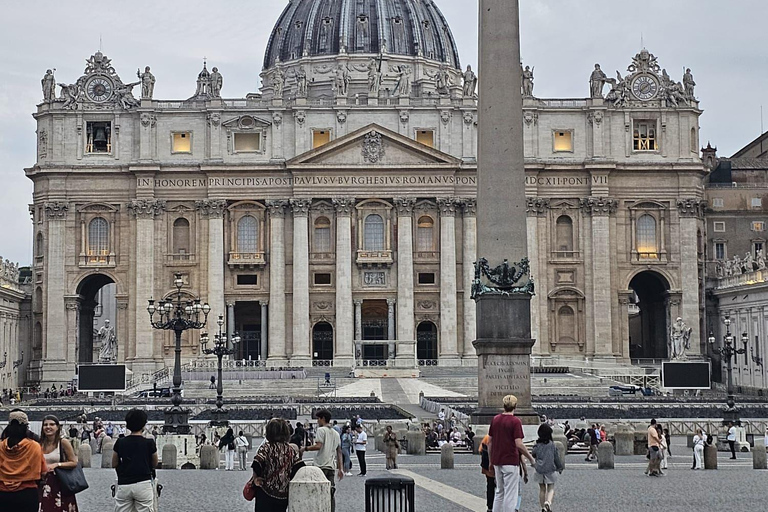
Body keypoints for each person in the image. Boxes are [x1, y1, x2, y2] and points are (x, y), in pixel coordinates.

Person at [487, 394, 535, 512]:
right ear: (515, 406)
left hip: (497, 460)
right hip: (510, 461)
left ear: (503, 406)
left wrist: (490, 460)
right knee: (510, 494)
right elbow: (518, 444)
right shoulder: (515, 421)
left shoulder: (495, 419)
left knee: (499, 492)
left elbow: (489, 442)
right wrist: (530, 458)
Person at [112, 409, 158, 512]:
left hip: (124, 483)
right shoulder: (149, 443)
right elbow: (154, 463)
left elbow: (114, 463)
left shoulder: (120, 442)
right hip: (143, 483)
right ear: (143, 425)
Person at [0, 410, 47, 511]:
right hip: (27, 493)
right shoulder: (34, 446)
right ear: (26, 427)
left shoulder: (0, 446)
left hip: (3, 492)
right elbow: (43, 472)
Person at [38, 415, 80, 512]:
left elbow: (74, 462)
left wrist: (57, 464)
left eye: (52, 424)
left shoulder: (63, 442)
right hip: (42, 483)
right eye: (45, 425)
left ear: (57, 427)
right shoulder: (39, 443)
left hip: (60, 483)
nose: (48, 427)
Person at [305, 410, 344, 512]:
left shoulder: (321, 430)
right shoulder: (336, 433)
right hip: (331, 466)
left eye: (318, 418)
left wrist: (305, 448)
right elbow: (339, 452)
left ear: (322, 418)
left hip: (320, 466)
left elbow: (318, 446)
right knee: (330, 493)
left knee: (317, 493)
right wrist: (341, 469)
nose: (317, 421)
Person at [531, 423, 564, 512]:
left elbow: (533, 454)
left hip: (539, 469)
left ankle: (543, 508)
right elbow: (556, 457)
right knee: (551, 488)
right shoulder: (552, 445)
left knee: (542, 489)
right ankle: (548, 502)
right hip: (550, 469)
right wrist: (560, 467)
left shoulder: (537, 445)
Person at [479, 434, 495, 512]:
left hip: (487, 466)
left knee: (490, 485)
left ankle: (490, 506)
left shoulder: (486, 437)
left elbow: (480, 450)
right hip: (498, 465)